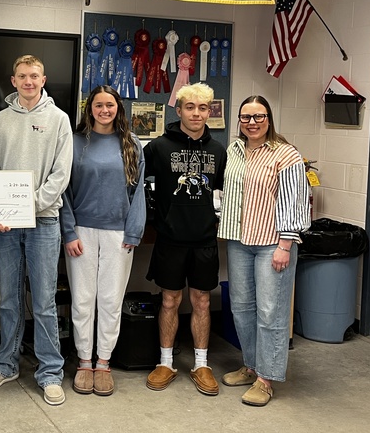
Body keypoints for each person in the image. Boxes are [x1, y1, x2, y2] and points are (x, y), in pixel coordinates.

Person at [0, 54, 73, 406]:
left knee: (45, 301)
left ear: (43, 79)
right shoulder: (1, 120)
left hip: (44, 221)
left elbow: (61, 175)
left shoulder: (59, 120)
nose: (29, 82)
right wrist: (1, 207)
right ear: (13, 80)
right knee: (8, 298)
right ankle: (6, 364)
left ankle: (50, 372)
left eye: (34, 76)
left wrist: (26, 205)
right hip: (6, 223)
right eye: (22, 76)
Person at [218, 95, 310, 407]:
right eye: (246, 117)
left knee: (271, 312)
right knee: (242, 308)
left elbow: (293, 202)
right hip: (239, 241)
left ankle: (266, 379)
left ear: (269, 118)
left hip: (273, 243)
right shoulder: (235, 150)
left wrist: (286, 243)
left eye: (259, 116)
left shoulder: (286, 154)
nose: (252, 122)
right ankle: (251, 365)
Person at [60, 85, 145, 396]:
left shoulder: (131, 144)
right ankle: (84, 362)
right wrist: (69, 232)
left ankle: (104, 363)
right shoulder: (74, 142)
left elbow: (138, 196)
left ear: (118, 108)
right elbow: (63, 192)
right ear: (90, 108)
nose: (105, 110)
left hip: (118, 234)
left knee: (110, 301)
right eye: (99, 105)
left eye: (110, 105)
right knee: (83, 301)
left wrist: (133, 231)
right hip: (81, 232)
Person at [144, 83, 227, 396]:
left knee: (202, 301)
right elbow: (133, 180)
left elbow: (230, 193)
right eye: (189, 107)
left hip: (205, 239)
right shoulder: (158, 147)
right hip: (170, 240)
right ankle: (165, 362)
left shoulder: (219, 151)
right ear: (178, 110)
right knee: (170, 300)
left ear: (209, 112)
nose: (196, 113)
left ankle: (201, 364)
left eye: (202, 108)